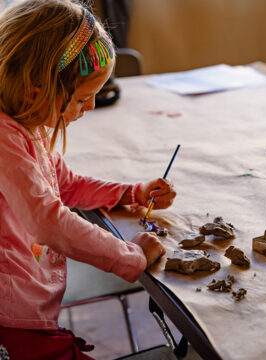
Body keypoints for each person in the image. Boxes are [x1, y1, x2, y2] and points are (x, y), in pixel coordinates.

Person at [0, 0, 176, 359]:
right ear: (36, 91)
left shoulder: (25, 125)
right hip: (12, 320)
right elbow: (49, 222)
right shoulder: (5, 141)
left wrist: (131, 191)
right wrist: (132, 255)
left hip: (29, 307)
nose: (92, 107)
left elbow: (67, 184)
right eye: (83, 99)